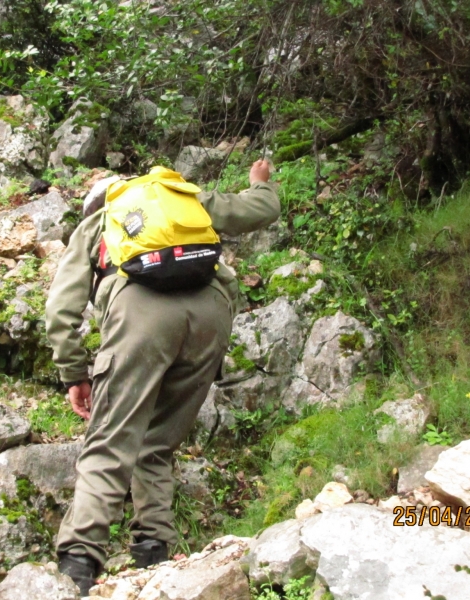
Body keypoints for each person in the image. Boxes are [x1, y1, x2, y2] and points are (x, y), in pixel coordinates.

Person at [44, 159, 279, 595]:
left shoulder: (100, 221)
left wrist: (75, 371)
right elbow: (259, 210)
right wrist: (259, 183)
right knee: (156, 444)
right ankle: (154, 556)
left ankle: (77, 564)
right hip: (210, 316)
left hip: (143, 315)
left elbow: (61, 309)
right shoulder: (182, 199)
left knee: (111, 441)